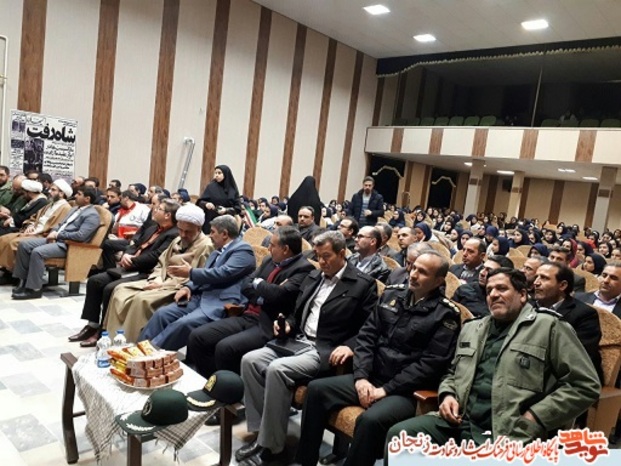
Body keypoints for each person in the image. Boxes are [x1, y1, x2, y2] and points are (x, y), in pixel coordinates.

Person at [386, 268, 601, 454]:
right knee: (400, 436)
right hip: (460, 421)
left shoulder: (549, 326)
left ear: (523, 295)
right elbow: (452, 372)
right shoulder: (473, 328)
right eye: (489, 291)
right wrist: (448, 394)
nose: (494, 295)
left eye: (502, 289)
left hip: (509, 430)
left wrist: (535, 416)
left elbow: (585, 385)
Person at [294, 251, 461, 466]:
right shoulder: (392, 294)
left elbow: (430, 364)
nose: (413, 274)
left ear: (438, 281)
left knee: (369, 420)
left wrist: (386, 389)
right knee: (316, 389)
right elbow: (366, 337)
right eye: (413, 268)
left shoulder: (446, 314)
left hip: (405, 391)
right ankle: (305, 461)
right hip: (372, 376)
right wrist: (361, 377)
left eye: (422, 272)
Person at [235, 231, 378, 466]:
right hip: (297, 341)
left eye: (326, 256)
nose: (321, 262)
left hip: (325, 348)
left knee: (277, 369)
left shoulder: (362, 284)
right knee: (250, 360)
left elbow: (370, 327)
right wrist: (288, 325)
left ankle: (272, 447)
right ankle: (261, 435)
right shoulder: (314, 275)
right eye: (318, 256)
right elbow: (297, 312)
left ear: (342, 253)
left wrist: (349, 346)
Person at [186, 226, 315, 378]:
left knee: (225, 348)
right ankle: (211, 381)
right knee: (197, 336)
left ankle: (231, 389)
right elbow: (246, 285)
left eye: (272, 245)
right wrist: (264, 295)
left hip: (268, 323)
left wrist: (258, 283)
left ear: (285, 249)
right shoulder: (269, 260)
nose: (268, 249)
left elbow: (279, 295)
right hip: (247, 315)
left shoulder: (303, 268)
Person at [69, 199, 181, 347]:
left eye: (159, 208)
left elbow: (156, 257)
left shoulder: (174, 234)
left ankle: (104, 331)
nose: (154, 209)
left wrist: (133, 260)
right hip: (131, 265)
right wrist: (127, 254)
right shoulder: (153, 227)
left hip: (146, 271)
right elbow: (135, 243)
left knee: (110, 288)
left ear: (167, 215)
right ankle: (92, 325)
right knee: (95, 281)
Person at [139, 215, 255, 350]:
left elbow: (223, 273)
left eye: (213, 232)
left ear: (224, 234)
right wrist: (188, 287)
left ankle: (149, 354)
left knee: (182, 324)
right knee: (162, 314)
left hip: (219, 302)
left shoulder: (243, 250)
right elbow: (205, 274)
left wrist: (190, 272)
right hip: (200, 297)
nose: (210, 235)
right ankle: (137, 349)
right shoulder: (217, 251)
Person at [104, 204, 214, 342]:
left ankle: (133, 342)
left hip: (177, 287)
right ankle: (113, 338)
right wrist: (157, 279)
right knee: (119, 290)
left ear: (198, 228)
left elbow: (198, 277)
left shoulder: (206, 246)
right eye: (180, 230)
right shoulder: (177, 240)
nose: (183, 235)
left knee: (141, 300)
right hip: (161, 280)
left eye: (188, 232)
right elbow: (162, 263)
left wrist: (163, 285)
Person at [11, 187, 101, 300]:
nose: (75, 196)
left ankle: (34, 289)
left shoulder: (92, 215)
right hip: (57, 239)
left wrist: (58, 235)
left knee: (37, 252)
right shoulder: (74, 209)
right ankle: (23, 282)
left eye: (79, 194)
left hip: (69, 246)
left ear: (87, 199)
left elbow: (81, 236)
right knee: (24, 245)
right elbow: (60, 225)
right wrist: (53, 232)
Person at [534, 262, 603, 382]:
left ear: (562, 285)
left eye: (544, 278)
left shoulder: (584, 314)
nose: (536, 282)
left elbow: (579, 359)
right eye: (536, 277)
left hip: (567, 378)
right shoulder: (529, 307)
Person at [0, 179, 72, 283]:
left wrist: (37, 231)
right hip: (33, 231)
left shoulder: (65, 208)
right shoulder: (50, 205)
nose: (49, 192)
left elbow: (58, 226)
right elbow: (34, 217)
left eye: (53, 190)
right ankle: (6, 270)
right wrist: (30, 225)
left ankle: (13, 275)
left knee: (14, 243)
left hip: (43, 235)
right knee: (4, 239)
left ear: (61, 193)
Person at [196, 165, 242, 233]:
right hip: (210, 221)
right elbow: (200, 201)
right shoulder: (211, 187)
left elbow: (238, 208)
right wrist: (206, 204)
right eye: (216, 173)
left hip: (226, 222)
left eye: (219, 173)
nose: (216, 175)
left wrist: (226, 210)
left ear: (225, 174)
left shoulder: (232, 190)